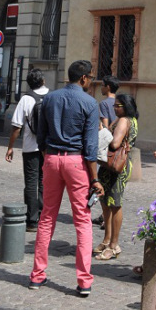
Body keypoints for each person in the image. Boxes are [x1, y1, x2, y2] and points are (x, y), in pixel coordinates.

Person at [29, 60, 103, 296]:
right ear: (83, 79)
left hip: (51, 158)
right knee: (82, 220)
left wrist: (48, 156)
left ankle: (37, 276)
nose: (90, 82)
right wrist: (95, 179)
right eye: (90, 78)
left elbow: (40, 135)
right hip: (76, 162)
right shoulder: (90, 103)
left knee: (47, 217)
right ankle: (84, 281)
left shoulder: (49, 99)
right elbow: (91, 146)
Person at [94, 93, 138, 261]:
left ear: (125, 106)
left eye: (117, 106)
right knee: (106, 202)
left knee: (114, 204)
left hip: (117, 166)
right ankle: (106, 240)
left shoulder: (124, 120)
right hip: (110, 166)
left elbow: (114, 144)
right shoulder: (126, 120)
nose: (114, 108)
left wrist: (102, 132)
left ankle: (114, 245)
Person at [5, 68, 49, 231]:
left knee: (31, 182)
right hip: (48, 147)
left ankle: (32, 221)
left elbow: (16, 126)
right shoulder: (52, 96)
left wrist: (10, 147)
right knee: (44, 182)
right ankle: (44, 216)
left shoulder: (26, 99)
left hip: (31, 147)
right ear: (43, 81)